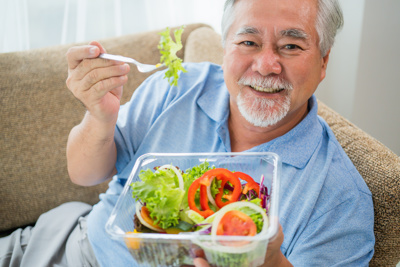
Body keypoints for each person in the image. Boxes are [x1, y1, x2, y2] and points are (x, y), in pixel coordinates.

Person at [0, 0, 374, 266]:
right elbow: (84, 174)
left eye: (291, 46)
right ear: (226, 47)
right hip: (75, 252)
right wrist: (99, 116)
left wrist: (271, 261)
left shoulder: (341, 200)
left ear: (323, 60)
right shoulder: (177, 87)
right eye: (248, 42)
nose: (266, 65)